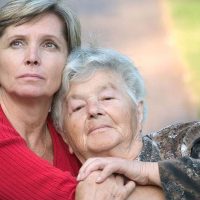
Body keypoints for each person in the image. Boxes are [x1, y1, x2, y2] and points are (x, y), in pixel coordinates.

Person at [0, 1, 135, 200]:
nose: (32, 57)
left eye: (49, 44)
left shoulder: (69, 132)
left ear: (68, 61)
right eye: (17, 43)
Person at [52, 46, 200, 200]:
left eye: (107, 98)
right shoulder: (69, 192)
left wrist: (142, 170)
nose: (93, 110)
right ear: (65, 136)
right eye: (78, 107)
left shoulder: (187, 140)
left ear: (138, 111)